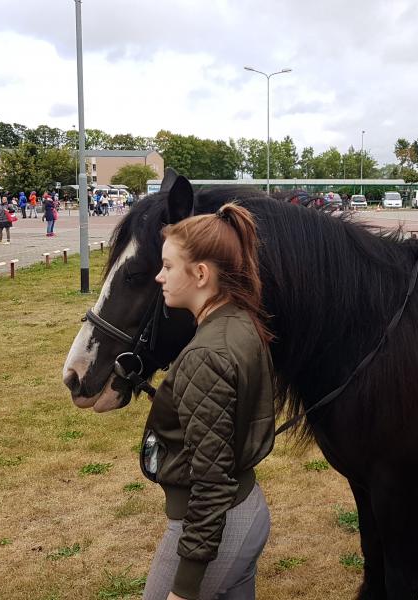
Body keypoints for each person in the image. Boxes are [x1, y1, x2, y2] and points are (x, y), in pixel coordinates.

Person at [141, 204, 275, 600]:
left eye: (168, 266)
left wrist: (183, 589)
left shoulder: (206, 355)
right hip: (246, 508)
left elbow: (212, 484)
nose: (158, 276)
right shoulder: (240, 319)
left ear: (201, 273)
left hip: (219, 525)